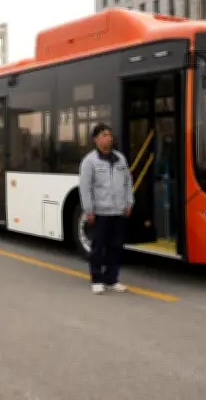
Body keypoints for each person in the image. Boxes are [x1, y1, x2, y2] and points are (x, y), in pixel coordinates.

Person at [79, 123, 134, 295]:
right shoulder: (90, 162)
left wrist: (128, 202)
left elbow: (127, 182)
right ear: (95, 139)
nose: (108, 138)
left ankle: (112, 279)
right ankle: (96, 279)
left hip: (118, 211)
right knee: (98, 247)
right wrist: (89, 210)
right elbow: (85, 187)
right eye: (104, 135)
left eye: (109, 135)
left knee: (116, 247)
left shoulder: (120, 159)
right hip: (101, 212)